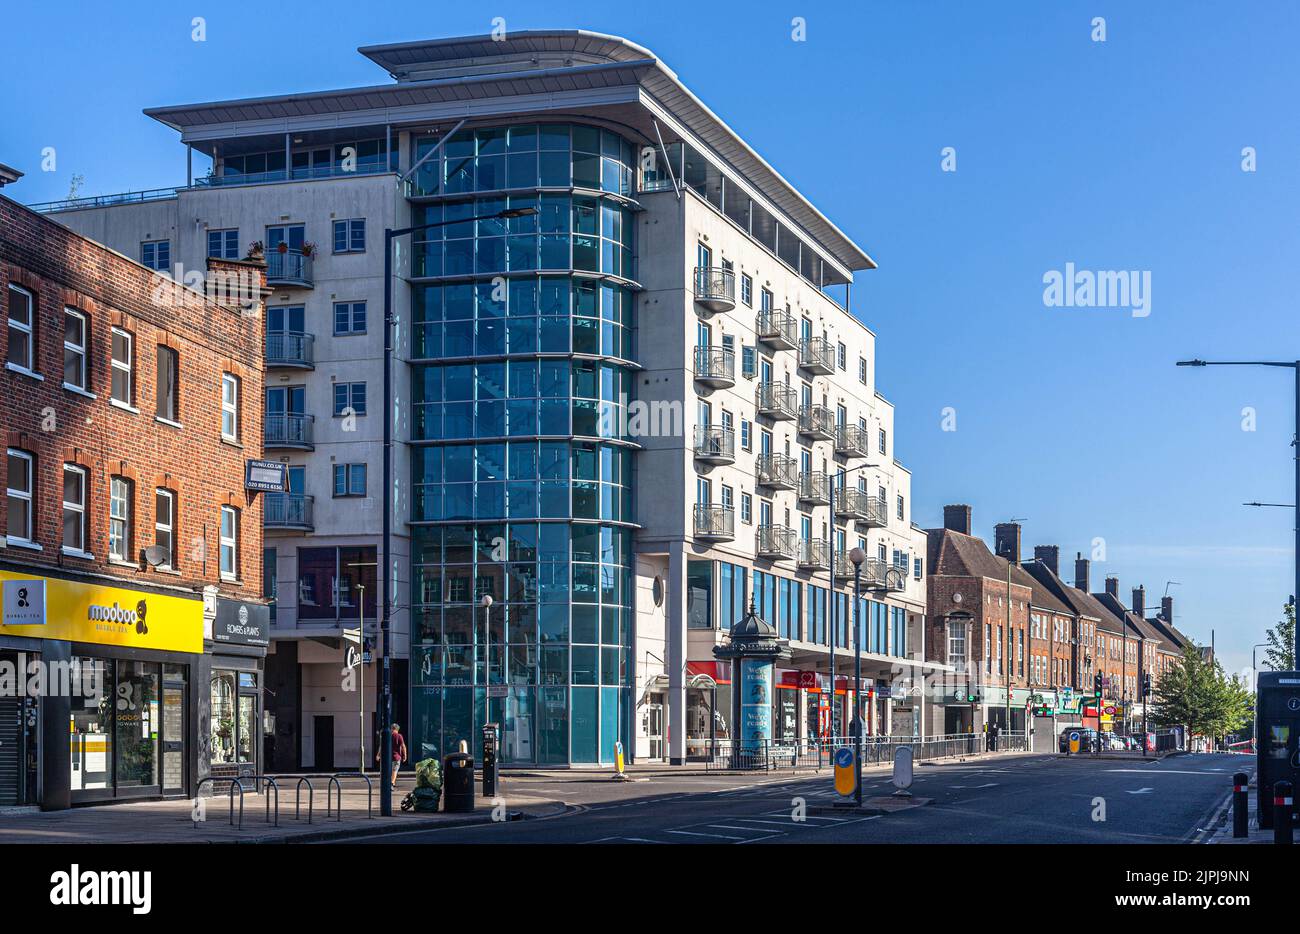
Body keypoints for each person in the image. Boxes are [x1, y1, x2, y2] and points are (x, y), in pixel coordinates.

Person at [375, 723, 407, 788]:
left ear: (392, 728)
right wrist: (405, 756)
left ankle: (391, 783)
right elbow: (403, 746)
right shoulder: (399, 736)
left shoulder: (387, 735)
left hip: (387, 757)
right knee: (394, 770)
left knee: (388, 771)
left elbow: (381, 746)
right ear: (397, 729)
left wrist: (378, 755)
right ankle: (392, 783)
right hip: (396, 757)